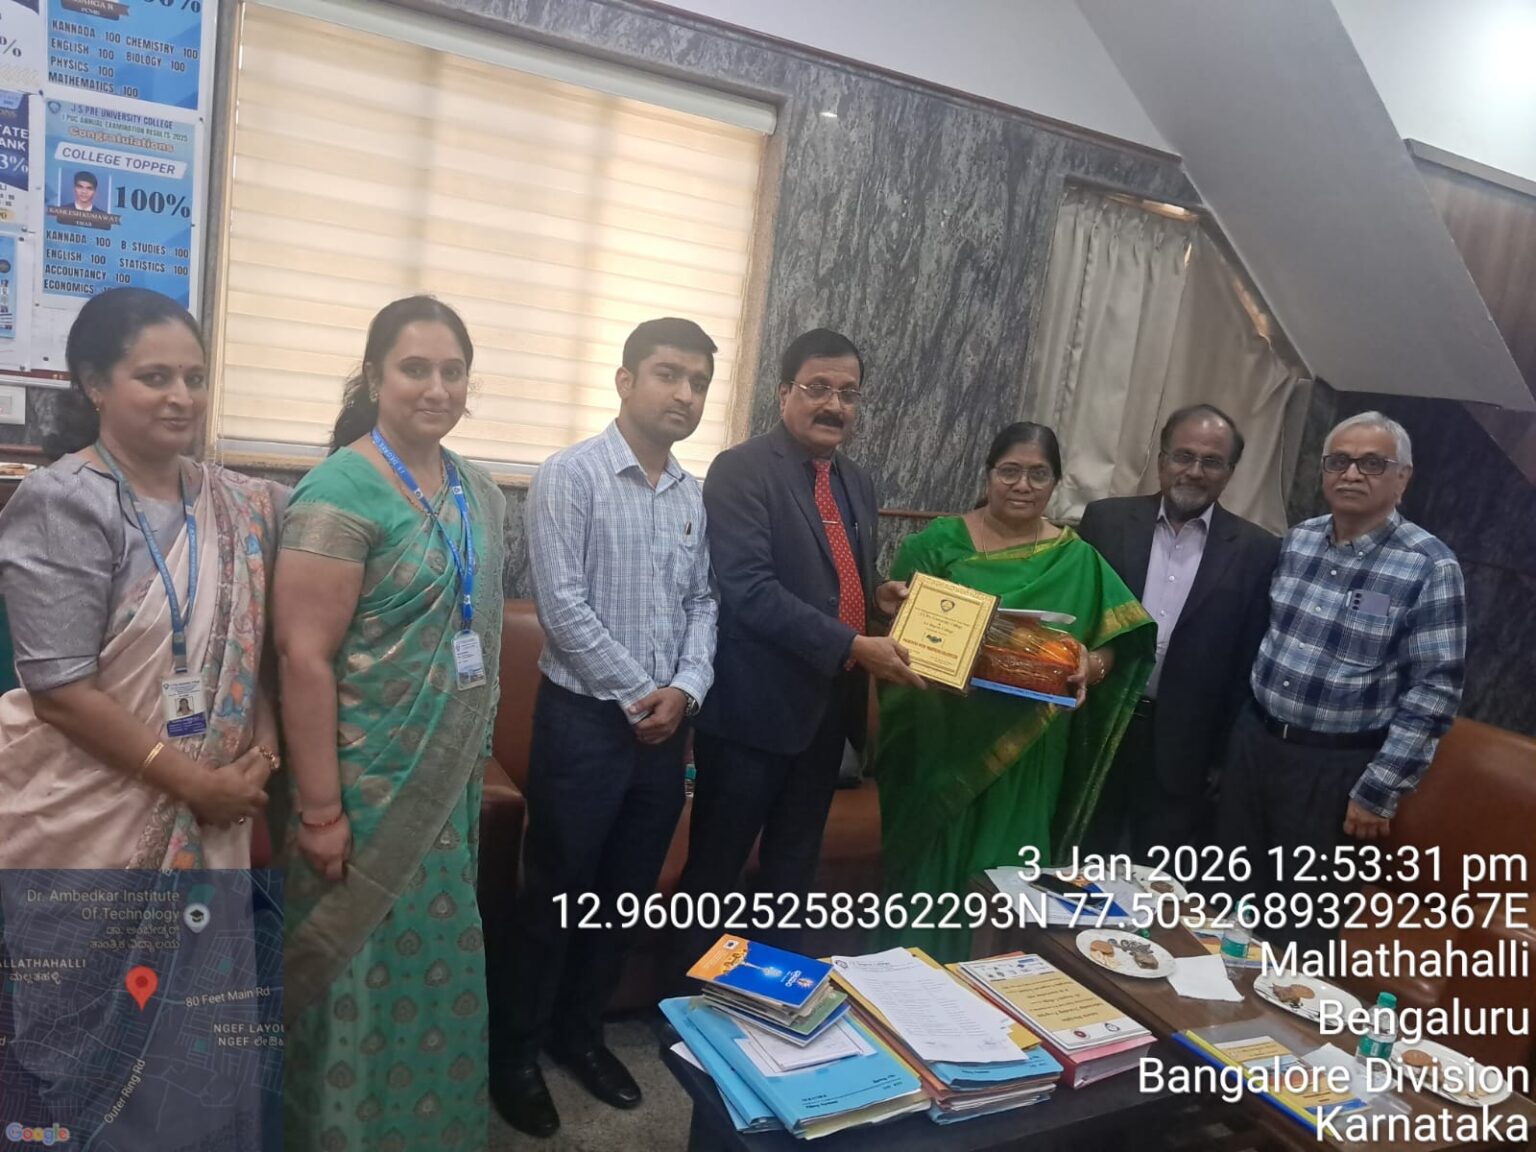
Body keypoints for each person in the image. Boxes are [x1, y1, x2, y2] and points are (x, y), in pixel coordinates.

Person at [274, 296, 505, 1152]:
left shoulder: (480, 492)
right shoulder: (340, 489)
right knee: (355, 976)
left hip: (443, 788)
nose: (436, 387)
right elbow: (303, 658)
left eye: (452, 370)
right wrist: (320, 813)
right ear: (374, 377)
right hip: (359, 785)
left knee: (436, 966)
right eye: (415, 368)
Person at [494, 318, 719, 1139]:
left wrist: (685, 690)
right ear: (625, 380)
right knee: (555, 893)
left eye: (698, 382)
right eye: (668, 374)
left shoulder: (692, 493)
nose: (684, 394)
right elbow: (562, 607)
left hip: (663, 732)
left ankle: (580, 1034)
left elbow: (704, 602)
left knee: (623, 897)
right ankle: (514, 1053)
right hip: (585, 725)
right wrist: (642, 695)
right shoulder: (571, 475)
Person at [0, 287, 280, 868]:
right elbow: (61, 694)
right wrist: (194, 785)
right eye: (155, 378)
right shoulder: (63, 503)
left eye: (194, 379)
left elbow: (250, 644)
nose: (181, 397)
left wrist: (265, 748)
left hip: (218, 807)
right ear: (95, 385)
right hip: (85, 816)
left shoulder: (241, 502)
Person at [674, 329, 922, 962]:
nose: (833, 404)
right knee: (715, 874)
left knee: (792, 876)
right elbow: (750, 590)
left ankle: (773, 1001)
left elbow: (833, 578)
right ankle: (686, 1004)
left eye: (848, 393)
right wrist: (855, 643)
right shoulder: (742, 469)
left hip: (827, 713)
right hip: (752, 715)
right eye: (818, 388)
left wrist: (877, 598)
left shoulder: (856, 480)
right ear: (784, 392)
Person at [874, 422, 1156, 961]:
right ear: (988, 475)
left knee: (1008, 868)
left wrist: (1089, 665)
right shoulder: (936, 545)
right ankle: (911, 974)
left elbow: (1119, 642)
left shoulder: (1077, 559)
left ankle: (997, 984)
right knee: (932, 866)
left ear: (1055, 483)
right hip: (941, 736)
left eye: (1038, 474)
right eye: (1010, 471)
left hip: (1028, 746)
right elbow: (895, 635)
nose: (1022, 485)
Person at [1218, 411, 1464, 950]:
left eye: (1372, 464)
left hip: (1334, 771)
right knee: (1225, 902)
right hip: (1255, 745)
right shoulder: (1299, 541)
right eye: (1339, 461)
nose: (1351, 474)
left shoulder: (1429, 566)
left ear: (1402, 477)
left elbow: (1434, 691)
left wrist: (1379, 791)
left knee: (1298, 928)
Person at [1077, 404, 1278, 858]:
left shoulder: (1257, 550)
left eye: (1211, 461)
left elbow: (1246, 662)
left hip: (1185, 750)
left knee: (1155, 880)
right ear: (1162, 459)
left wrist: (1222, 758)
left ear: (1230, 472)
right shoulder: (1105, 522)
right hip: (1097, 726)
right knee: (1074, 864)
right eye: (1183, 456)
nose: (1194, 471)